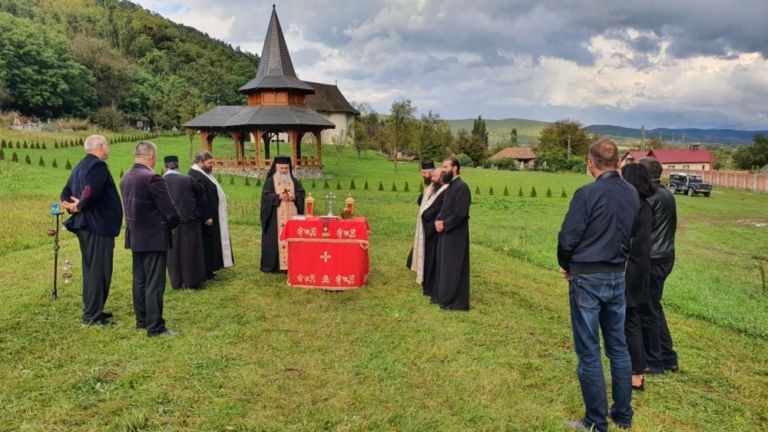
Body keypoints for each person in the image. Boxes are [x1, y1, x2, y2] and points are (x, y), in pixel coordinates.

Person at [557, 138, 639, 431]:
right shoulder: (632, 193)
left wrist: (566, 265)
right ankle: (623, 414)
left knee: (589, 350)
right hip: (617, 274)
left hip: (588, 277)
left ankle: (595, 421)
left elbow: (568, 237)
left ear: (590, 164)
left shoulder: (586, 194)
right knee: (618, 346)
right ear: (618, 162)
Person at [59, 135, 122, 326]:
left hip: (85, 225)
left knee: (91, 269)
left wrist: (69, 204)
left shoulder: (79, 166)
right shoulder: (98, 166)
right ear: (100, 146)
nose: (108, 150)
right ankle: (93, 316)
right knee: (99, 270)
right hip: (98, 225)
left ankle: (94, 309)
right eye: (107, 146)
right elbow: (91, 191)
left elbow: (65, 191)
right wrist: (80, 205)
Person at [120, 141, 180, 337]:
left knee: (140, 280)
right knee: (155, 282)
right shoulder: (152, 178)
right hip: (154, 236)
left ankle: (142, 320)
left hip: (136, 234)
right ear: (151, 157)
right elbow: (169, 209)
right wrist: (173, 224)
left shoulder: (125, 177)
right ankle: (155, 327)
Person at [638, 156, 679, 374]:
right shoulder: (667, 194)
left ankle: (654, 363)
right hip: (666, 257)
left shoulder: (649, 197)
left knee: (647, 311)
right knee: (655, 307)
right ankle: (669, 357)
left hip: (652, 260)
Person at [621, 163, 656, 391]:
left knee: (629, 323)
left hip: (628, 270)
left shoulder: (632, 207)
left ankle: (635, 374)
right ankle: (635, 371)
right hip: (641, 269)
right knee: (631, 321)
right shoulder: (647, 206)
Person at [432, 157, 471, 310]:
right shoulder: (450, 186)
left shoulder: (462, 187)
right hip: (445, 232)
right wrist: (438, 220)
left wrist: (445, 224)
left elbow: (461, 214)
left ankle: (454, 300)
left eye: (446, 166)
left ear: (455, 168)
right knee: (445, 266)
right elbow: (444, 208)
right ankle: (444, 295)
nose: (443, 169)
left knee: (453, 267)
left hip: (456, 235)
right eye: (443, 166)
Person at [163, 155, 207, 290]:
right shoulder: (188, 179)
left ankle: (176, 282)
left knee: (173, 254)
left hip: (169, 224)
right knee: (190, 252)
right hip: (189, 222)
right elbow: (202, 197)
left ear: (165, 166)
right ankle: (191, 282)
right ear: (178, 165)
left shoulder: (160, 180)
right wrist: (197, 214)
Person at [188, 150, 233, 279]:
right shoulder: (195, 175)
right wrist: (206, 216)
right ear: (200, 162)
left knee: (211, 242)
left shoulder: (204, 173)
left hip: (212, 215)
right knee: (207, 244)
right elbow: (199, 199)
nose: (212, 165)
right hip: (206, 217)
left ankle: (211, 268)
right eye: (209, 163)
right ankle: (207, 270)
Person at [260, 156, 305, 273]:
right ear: (277, 168)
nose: (284, 170)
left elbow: (301, 193)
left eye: (286, 168)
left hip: (291, 217)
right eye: (282, 168)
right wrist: (278, 196)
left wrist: (295, 197)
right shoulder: (270, 181)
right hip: (275, 218)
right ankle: (275, 266)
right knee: (275, 240)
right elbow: (265, 197)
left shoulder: (294, 181)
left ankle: (292, 264)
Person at [412, 168, 448, 297]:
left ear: (442, 177)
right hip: (429, 229)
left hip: (435, 230)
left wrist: (426, 216)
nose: (432, 179)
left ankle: (430, 286)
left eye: (435, 176)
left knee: (433, 260)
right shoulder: (434, 187)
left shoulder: (444, 190)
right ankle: (427, 283)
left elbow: (436, 209)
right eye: (432, 176)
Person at [407, 160, 436, 269]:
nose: (423, 176)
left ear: (431, 172)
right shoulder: (428, 185)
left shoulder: (437, 186)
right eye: (422, 173)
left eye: (424, 173)